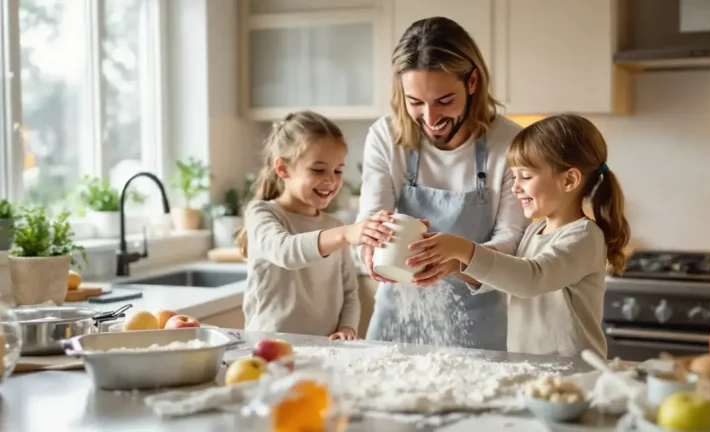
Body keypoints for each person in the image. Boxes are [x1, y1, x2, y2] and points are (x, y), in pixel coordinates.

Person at [355, 17, 529, 351]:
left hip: (478, 332)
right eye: (415, 102)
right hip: (396, 323)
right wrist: (369, 243)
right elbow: (371, 216)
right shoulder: (385, 136)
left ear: (473, 81)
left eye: (444, 100)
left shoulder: (509, 143)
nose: (431, 119)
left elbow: (511, 244)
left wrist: (460, 259)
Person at [406, 114, 631, 358]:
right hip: (530, 367)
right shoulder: (535, 230)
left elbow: (531, 278)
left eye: (526, 176)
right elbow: (507, 274)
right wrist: (455, 264)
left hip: (574, 374)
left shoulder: (585, 238)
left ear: (569, 180)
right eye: (515, 177)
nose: (515, 187)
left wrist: (462, 248)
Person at [236, 111, 392, 341]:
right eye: (318, 169)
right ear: (283, 169)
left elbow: (350, 292)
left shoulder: (334, 227)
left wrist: (347, 328)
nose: (331, 180)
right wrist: (346, 233)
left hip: (323, 351)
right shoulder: (262, 213)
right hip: (267, 350)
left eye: (338, 170)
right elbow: (286, 252)